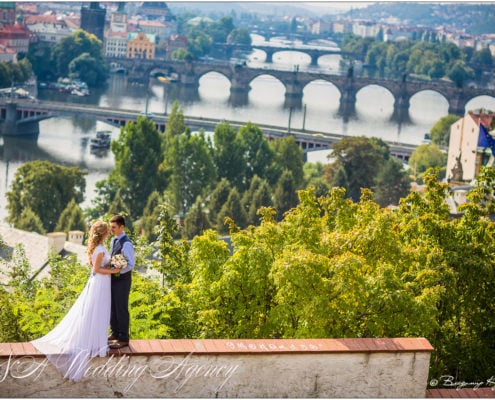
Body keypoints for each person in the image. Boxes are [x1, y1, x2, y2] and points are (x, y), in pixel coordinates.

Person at [31, 221, 121, 382]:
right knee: (98, 311)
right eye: (108, 230)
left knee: (98, 311)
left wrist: (112, 264)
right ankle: (94, 343)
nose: (109, 232)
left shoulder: (99, 248)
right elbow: (97, 269)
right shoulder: (100, 250)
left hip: (100, 282)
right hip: (100, 282)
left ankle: (96, 341)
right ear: (104, 234)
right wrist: (113, 270)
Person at [108, 214, 134, 349]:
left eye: (113, 227)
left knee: (121, 307)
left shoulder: (127, 244)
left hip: (123, 281)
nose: (111, 229)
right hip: (113, 279)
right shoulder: (114, 241)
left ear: (121, 227)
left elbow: (130, 264)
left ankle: (123, 337)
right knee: (113, 307)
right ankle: (115, 332)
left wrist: (118, 271)